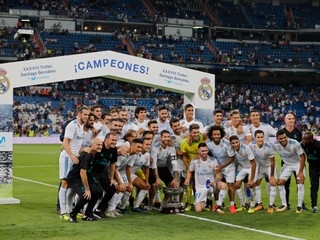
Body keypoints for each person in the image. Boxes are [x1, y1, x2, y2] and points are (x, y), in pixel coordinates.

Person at [58, 105, 89, 220]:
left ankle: (70, 210)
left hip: (75, 157)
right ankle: (63, 212)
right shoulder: (73, 125)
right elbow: (65, 142)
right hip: (67, 157)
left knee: (72, 185)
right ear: (79, 113)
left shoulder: (81, 127)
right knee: (65, 182)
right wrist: (71, 155)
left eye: (87, 114)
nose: (86, 116)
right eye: (85, 114)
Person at [67, 138, 103, 223]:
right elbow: (82, 172)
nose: (100, 147)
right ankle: (73, 215)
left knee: (98, 191)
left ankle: (87, 214)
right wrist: (87, 189)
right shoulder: (86, 155)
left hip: (84, 176)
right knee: (86, 195)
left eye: (101, 145)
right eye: (98, 145)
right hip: (74, 178)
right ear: (92, 145)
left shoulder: (93, 153)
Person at [184, 143, 227, 213]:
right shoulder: (194, 161)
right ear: (198, 151)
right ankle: (206, 201)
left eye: (206, 150)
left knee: (223, 185)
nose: (205, 152)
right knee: (198, 210)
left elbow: (218, 174)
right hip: (200, 187)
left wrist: (215, 181)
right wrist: (188, 179)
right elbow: (190, 170)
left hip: (211, 185)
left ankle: (218, 206)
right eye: (203, 151)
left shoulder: (213, 160)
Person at [93, 132, 126, 218]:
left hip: (102, 173)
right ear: (106, 140)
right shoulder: (100, 146)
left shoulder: (114, 149)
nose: (114, 142)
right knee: (98, 191)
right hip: (93, 172)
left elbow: (112, 165)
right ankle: (89, 210)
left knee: (112, 189)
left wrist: (111, 178)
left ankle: (99, 209)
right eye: (112, 140)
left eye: (115, 140)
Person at [273, 129, 306, 213]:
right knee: (280, 183)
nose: (283, 140)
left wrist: (301, 171)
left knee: (300, 183)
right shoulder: (275, 145)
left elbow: (302, 157)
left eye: (285, 137)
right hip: (287, 165)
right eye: (281, 138)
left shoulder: (294, 143)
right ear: (277, 139)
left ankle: (299, 206)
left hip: (298, 164)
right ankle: (284, 205)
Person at [206, 125, 236, 214]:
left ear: (221, 135)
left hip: (229, 166)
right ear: (211, 135)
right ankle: (217, 204)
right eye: (214, 134)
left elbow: (231, 157)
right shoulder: (208, 143)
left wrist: (222, 167)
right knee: (217, 185)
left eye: (218, 134)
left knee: (230, 185)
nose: (216, 136)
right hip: (217, 167)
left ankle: (232, 205)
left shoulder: (226, 144)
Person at [281, 113, 306, 210]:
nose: (291, 120)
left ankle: (301, 204)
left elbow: (301, 147)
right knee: (285, 183)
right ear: (285, 120)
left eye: (293, 119)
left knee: (299, 182)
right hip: (286, 162)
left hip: (298, 162)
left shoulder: (298, 132)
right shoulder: (282, 132)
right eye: (289, 119)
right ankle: (286, 204)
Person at [180, 123, 206, 211]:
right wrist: (189, 167)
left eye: (197, 132)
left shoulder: (203, 138)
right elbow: (184, 156)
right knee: (189, 184)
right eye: (194, 132)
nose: (196, 134)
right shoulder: (184, 142)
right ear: (190, 133)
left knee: (199, 185)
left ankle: (199, 202)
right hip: (190, 165)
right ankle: (189, 203)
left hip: (201, 166)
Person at [250, 130, 277, 213]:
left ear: (264, 137)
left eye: (262, 137)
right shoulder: (252, 146)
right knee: (256, 183)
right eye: (258, 137)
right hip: (260, 167)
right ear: (255, 138)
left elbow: (272, 161)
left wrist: (272, 175)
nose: (260, 139)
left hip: (269, 167)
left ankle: (271, 205)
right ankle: (259, 204)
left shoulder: (268, 146)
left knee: (272, 183)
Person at [230, 135, 257, 213]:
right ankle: (243, 205)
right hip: (243, 168)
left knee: (250, 185)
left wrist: (251, 179)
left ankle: (252, 205)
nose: (235, 144)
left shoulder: (246, 148)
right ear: (231, 144)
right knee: (237, 185)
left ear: (239, 142)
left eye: (236, 142)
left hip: (251, 167)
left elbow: (253, 164)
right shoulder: (232, 150)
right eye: (233, 143)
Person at [301, 132, 320, 213]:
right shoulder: (303, 145)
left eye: (305, 140)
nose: (303, 141)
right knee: (314, 187)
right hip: (313, 168)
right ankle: (314, 206)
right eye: (303, 139)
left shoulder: (318, 146)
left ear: (311, 140)